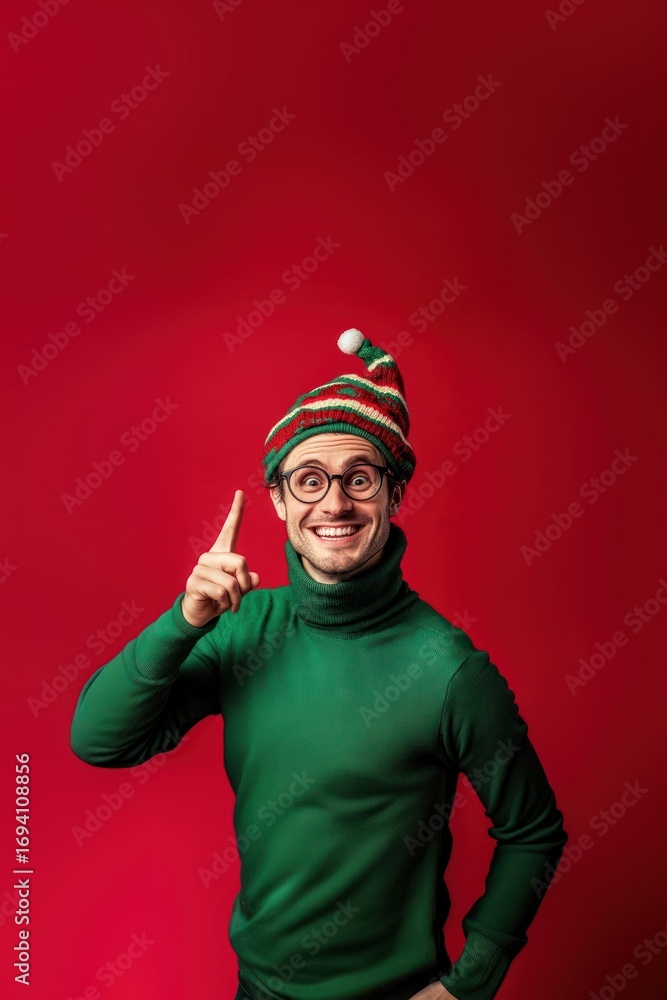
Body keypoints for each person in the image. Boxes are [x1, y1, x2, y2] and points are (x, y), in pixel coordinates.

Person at [70, 329, 568, 1000]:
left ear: (393, 497)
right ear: (278, 501)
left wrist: (467, 985)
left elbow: (533, 833)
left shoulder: (450, 671)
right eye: (308, 480)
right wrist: (183, 619)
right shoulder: (240, 629)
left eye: (358, 478)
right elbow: (99, 741)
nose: (333, 504)